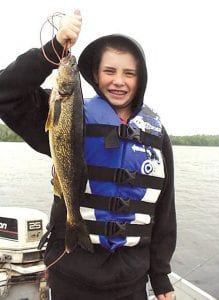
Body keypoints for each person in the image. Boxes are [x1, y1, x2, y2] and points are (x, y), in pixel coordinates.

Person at [0, 9, 176, 300]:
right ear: (94, 74)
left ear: (140, 78)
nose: (119, 81)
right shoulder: (67, 112)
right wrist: (55, 47)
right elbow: (5, 90)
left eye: (129, 73)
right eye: (110, 71)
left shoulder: (155, 132)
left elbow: (165, 209)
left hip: (131, 281)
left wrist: (160, 277)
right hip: (72, 275)